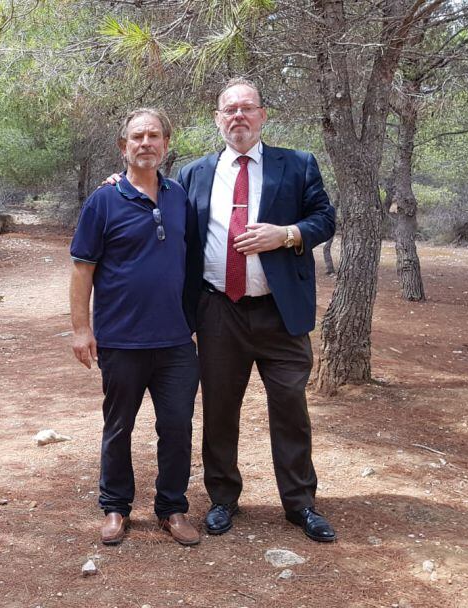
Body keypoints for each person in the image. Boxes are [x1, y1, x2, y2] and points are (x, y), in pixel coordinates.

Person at [177, 77, 337, 542]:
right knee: (220, 409)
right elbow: (162, 212)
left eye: (248, 108)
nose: (238, 117)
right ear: (217, 119)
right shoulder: (194, 174)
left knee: (290, 407)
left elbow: (325, 218)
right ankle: (223, 498)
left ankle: (300, 503)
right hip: (218, 310)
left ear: (263, 116)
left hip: (280, 312)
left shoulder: (298, 165)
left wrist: (286, 234)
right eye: (230, 110)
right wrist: (119, 181)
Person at [70, 108, 201, 547]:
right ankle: (115, 507)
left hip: (176, 342)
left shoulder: (180, 197)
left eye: (154, 136)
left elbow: (195, 261)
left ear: (166, 143)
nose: (146, 143)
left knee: (177, 426)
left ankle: (172, 508)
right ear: (123, 146)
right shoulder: (103, 200)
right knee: (118, 426)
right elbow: (82, 269)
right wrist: (80, 330)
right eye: (137, 137)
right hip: (122, 339)